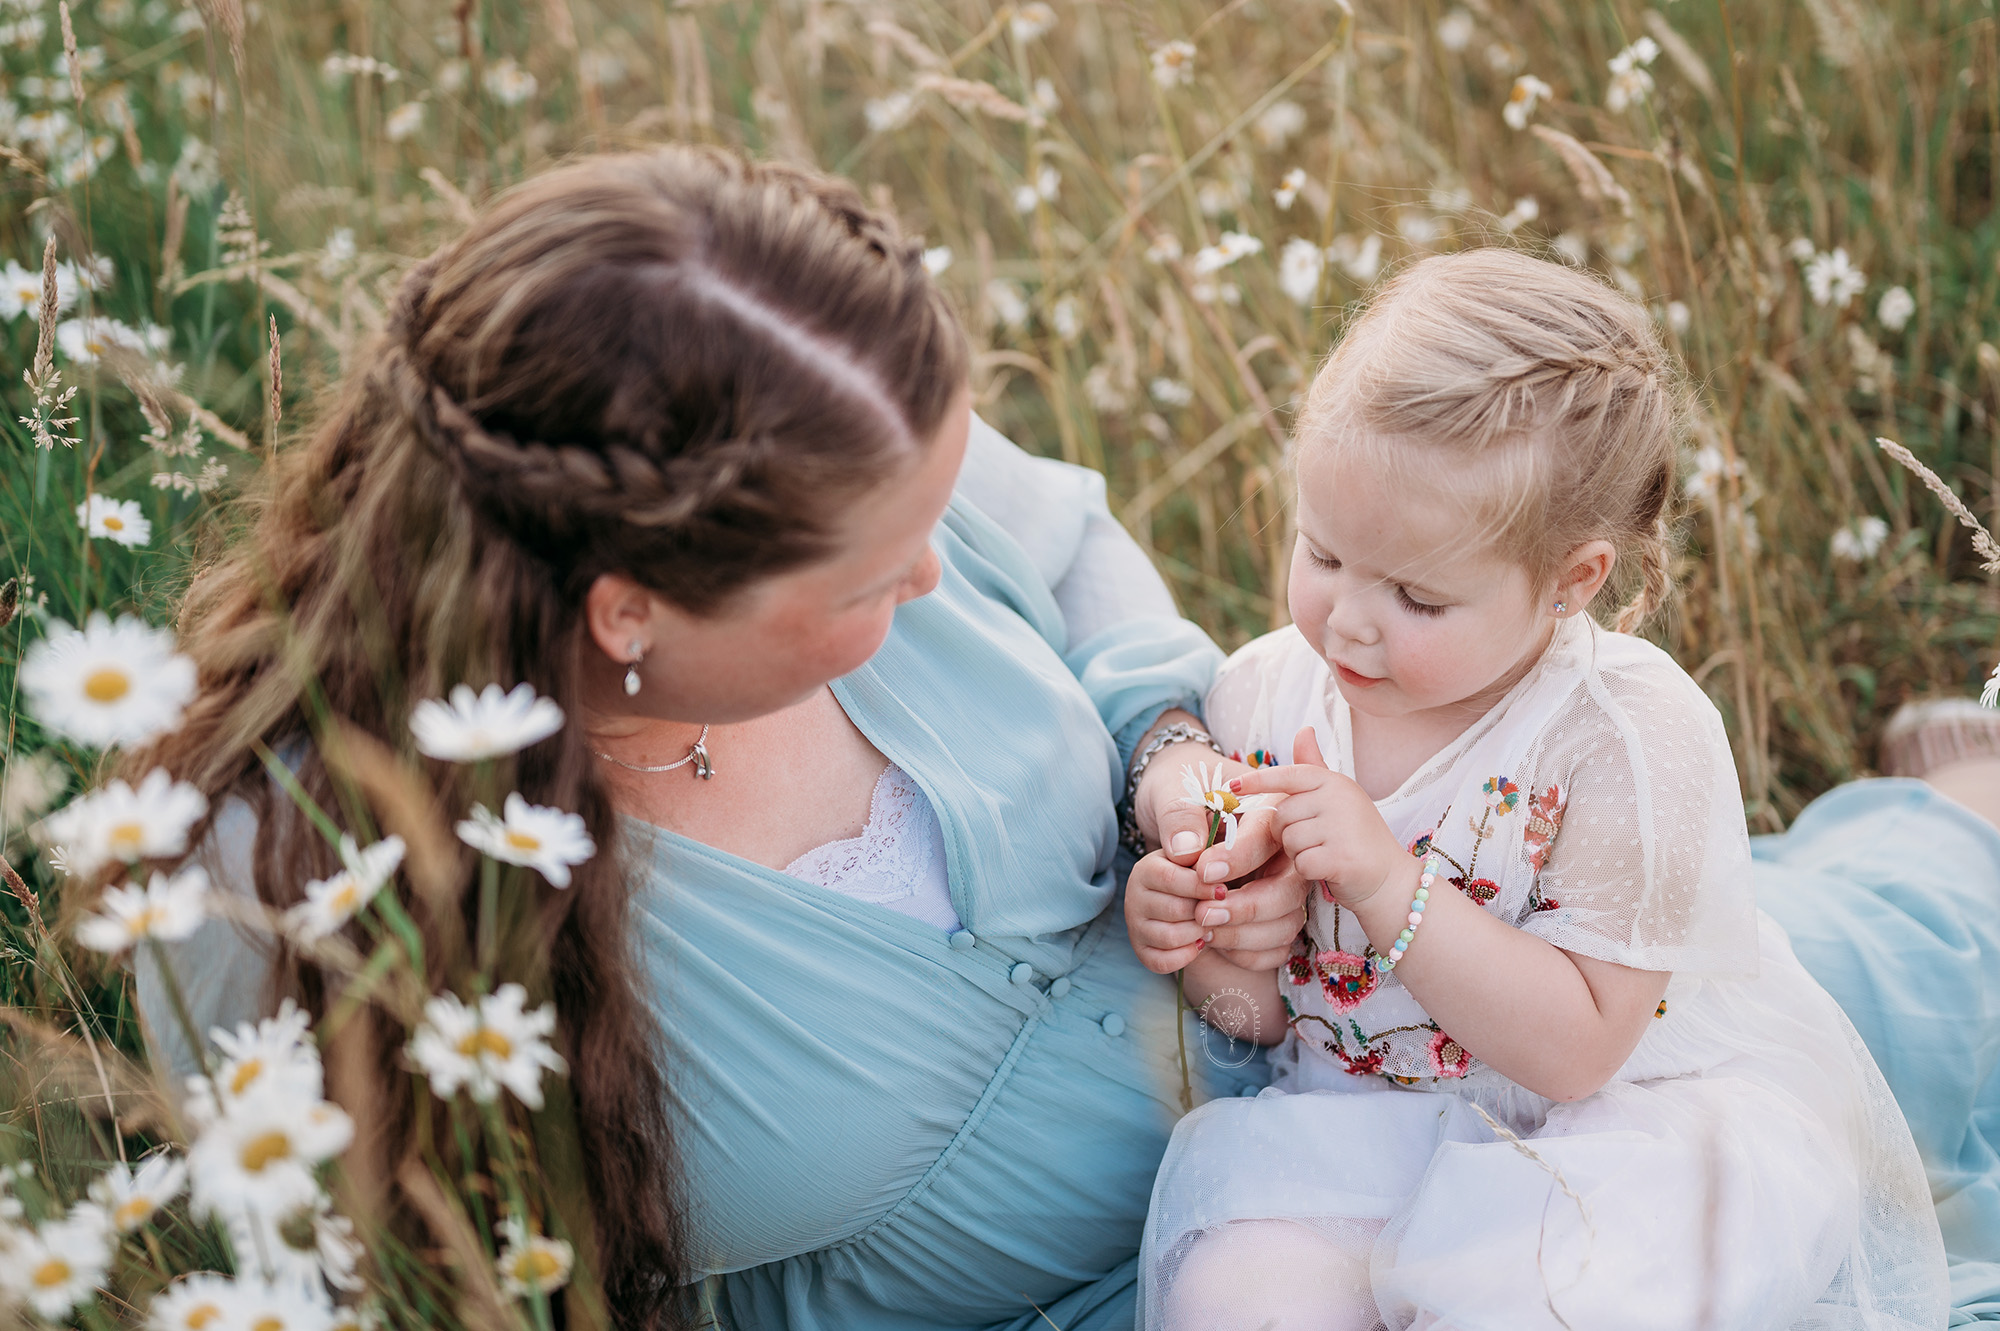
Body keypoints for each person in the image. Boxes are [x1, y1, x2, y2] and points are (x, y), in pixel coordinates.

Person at [132, 146, 1309, 1330]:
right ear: (630, 609)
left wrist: (1167, 754)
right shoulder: (294, 877)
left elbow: (1073, 544)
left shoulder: (834, 423)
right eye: (866, 577)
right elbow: (384, 1279)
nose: (932, 568)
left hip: (1344, 1108)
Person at [1126, 249, 1949, 1330]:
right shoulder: (1268, 693)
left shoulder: (1621, 738)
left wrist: (1383, 878)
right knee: (1231, 1302)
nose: (1349, 621)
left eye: (1417, 595)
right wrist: (1211, 941)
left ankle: (1958, 792)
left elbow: (1575, 1051)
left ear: (1571, 580)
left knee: (1542, 1299)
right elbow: (1273, 1018)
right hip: (1357, 1131)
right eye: (1320, 551)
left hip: (1609, 1130)